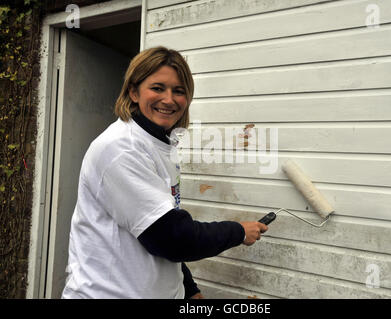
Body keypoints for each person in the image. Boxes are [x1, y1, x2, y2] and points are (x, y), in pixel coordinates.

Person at [61, 46, 268, 299]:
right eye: (158, 88)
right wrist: (238, 231)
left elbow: (157, 221)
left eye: (179, 91)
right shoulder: (120, 149)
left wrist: (189, 289)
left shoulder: (159, 144)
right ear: (133, 92)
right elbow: (170, 237)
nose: (169, 100)